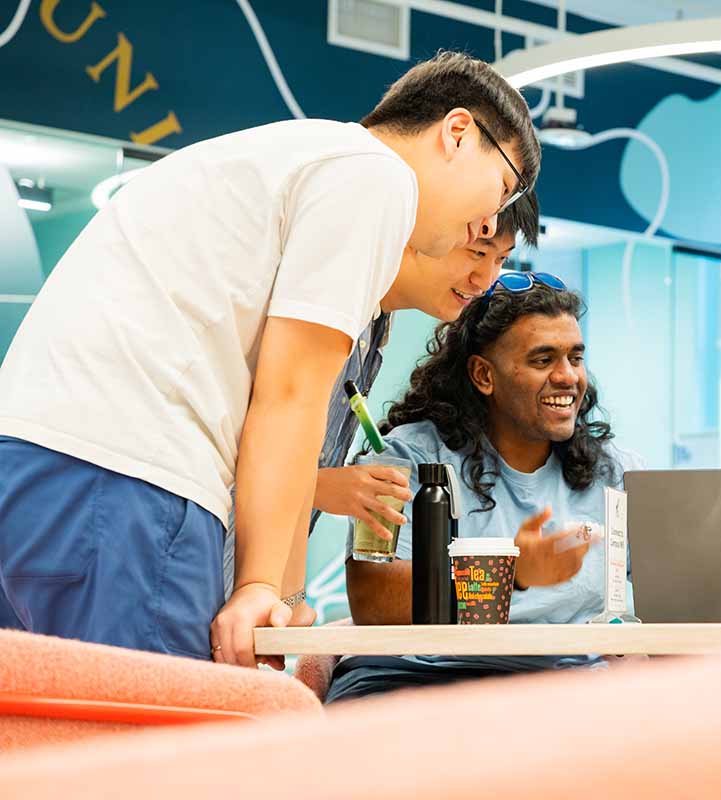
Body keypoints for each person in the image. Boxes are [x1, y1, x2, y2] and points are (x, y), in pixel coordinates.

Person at [0, 51, 540, 668]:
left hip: (28, 460)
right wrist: (259, 590)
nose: (490, 222)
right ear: (458, 132)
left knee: (34, 741)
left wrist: (281, 594)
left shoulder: (293, 158)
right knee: (156, 750)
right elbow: (291, 395)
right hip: (129, 485)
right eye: (502, 187)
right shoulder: (379, 177)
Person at [326, 277, 642, 702]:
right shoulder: (407, 457)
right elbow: (372, 600)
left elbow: (670, 601)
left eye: (576, 357)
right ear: (483, 375)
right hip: (415, 684)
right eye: (543, 359)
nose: (568, 377)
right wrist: (512, 575)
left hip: (560, 692)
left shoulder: (616, 473)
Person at [221, 192, 540, 603]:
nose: (485, 280)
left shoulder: (372, 328)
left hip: (239, 592)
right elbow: (228, 448)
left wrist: (290, 600)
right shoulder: (325, 312)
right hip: (197, 565)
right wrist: (316, 486)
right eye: (478, 250)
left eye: (500, 259)